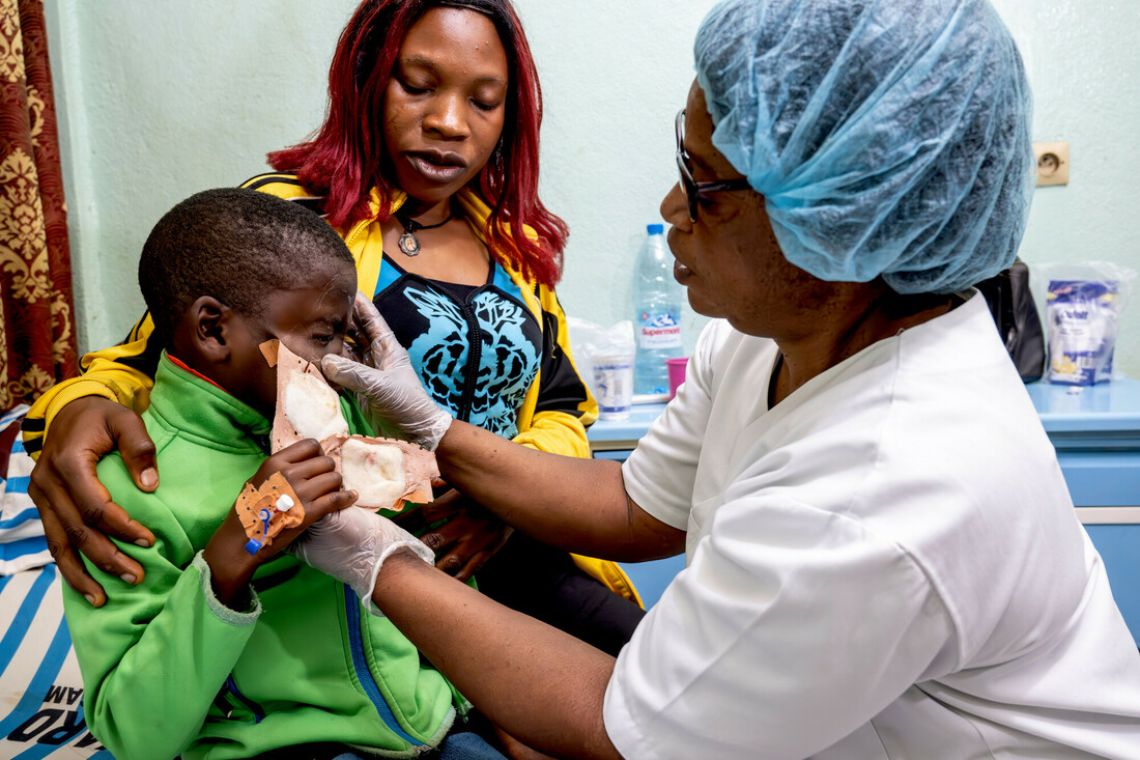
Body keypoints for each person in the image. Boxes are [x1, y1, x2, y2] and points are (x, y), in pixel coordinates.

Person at [285, 0, 1140, 758]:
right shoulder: (786, 335)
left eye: (705, 184)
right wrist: (439, 431)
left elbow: (615, 726)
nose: (668, 206)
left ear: (833, 216)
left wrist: (380, 561)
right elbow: (631, 505)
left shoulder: (884, 488)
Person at [26, 0, 643, 655]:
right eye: (419, 85)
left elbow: (564, 408)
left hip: (516, 549)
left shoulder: (517, 250)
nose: (448, 122)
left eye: (484, 101)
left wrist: (508, 500)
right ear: (367, 79)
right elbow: (150, 362)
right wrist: (77, 407)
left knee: (673, 685)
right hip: (361, 566)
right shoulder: (295, 224)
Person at [61, 187, 511, 759]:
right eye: (323, 336)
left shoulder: (347, 422)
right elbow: (132, 735)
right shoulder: (129, 490)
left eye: (346, 336)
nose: (339, 360)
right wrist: (233, 556)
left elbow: (441, 584)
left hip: (437, 726)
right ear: (213, 330)